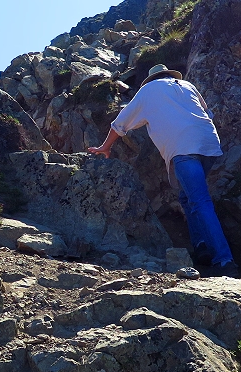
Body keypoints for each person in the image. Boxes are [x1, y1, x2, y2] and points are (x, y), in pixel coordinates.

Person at [88, 64, 238, 278]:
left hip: (183, 148)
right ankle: (201, 245)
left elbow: (121, 122)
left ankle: (224, 260)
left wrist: (106, 147)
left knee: (200, 201)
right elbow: (207, 113)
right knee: (187, 197)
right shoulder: (187, 85)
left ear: (151, 79)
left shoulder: (148, 90)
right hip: (209, 143)